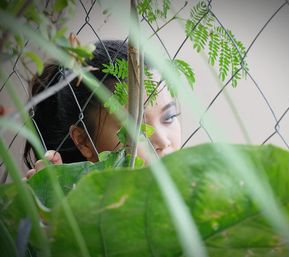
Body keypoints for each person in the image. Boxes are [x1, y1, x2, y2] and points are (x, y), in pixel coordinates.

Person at [24, 40, 182, 178]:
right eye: (137, 128)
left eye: (169, 117)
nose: (163, 141)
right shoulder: (68, 209)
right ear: (84, 141)